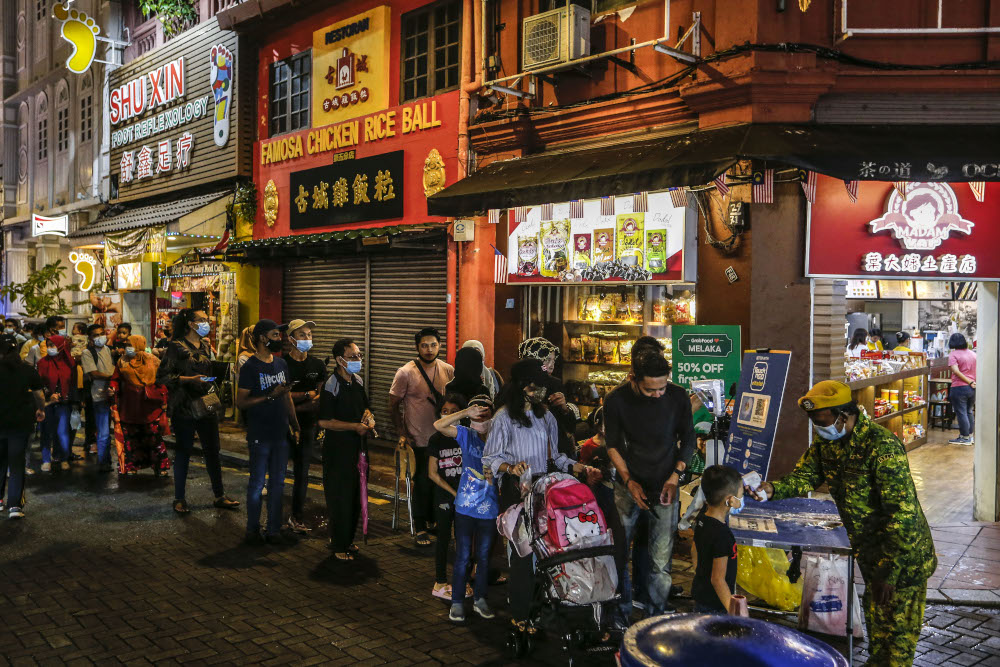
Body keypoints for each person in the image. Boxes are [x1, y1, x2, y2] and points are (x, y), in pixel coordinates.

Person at [749, 380, 936, 667]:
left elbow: (902, 515)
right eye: (813, 420)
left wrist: (889, 573)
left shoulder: (881, 446)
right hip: (870, 554)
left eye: (821, 420)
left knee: (897, 645)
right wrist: (772, 489)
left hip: (902, 559)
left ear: (843, 415)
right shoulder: (827, 443)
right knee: (879, 635)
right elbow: (805, 476)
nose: (817, 427)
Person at [483, 359, 597, 631]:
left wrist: (579, 467)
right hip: (515, 491)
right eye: (536, 387)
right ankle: (520, 613)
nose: (541, 393)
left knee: (546, 552)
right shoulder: (503, 418)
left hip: (543, 490)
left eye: (543, 388)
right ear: (523, 387)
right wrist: (511, 467)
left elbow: (556, 456)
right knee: (522, 554)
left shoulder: (546, 417)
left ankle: (539, 608)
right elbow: (489, 458)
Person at [606, 351, 695, 616]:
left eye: (662, 387)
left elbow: (688, 438)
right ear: (633, 378)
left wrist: (675, 475)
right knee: (619, 554)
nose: (657, 394)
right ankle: (620, 616)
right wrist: (628, 481)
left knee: (661, 560)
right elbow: (612, 445)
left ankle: (655, 618)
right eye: (650, 390)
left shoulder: (678, 396)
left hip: (666, 484)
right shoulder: (616, 399)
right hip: (628, 485)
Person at [156, 308, 240, 514]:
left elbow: (207, 372)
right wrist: (189, 380)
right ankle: (179, 498)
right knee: (183, 451)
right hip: (184, 407)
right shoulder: (175, 346)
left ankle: (219, 495)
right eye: (202, 319)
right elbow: (162, 377)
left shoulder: (205, 346)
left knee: (213, 451)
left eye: (206, 319)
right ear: (190, 324)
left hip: (206, 403)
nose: (206, 322)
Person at [434, 394, 499, 623]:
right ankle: (457, 602)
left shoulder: (500, 438)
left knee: (483, 557)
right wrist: (464, 413)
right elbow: (439, 425)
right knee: (462, 556)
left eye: (484, 413)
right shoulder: (466, 434)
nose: (480, 418)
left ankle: (480, 599)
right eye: (476, 414)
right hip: (465, 506)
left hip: (489, 508)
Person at [390, 327, 455, 547]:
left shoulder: (448, 370)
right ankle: (420, 527)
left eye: (433, 345)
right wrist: (401, 432)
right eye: (424, 345)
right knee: (422, 483)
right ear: (417, 347)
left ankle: (434, 521)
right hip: (418, 438)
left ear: (440, 345)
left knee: (441, 482)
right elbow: (393, 405)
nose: (429, 350)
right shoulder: (405, 372)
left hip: (443, 439)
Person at [237, 319, 300, 546]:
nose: (279, 339)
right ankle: (252, 530)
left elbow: (287, 396)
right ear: (262, 338)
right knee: (256, 484)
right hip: (260, 434)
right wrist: (269, 396)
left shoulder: (281, 364)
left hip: (280, 433)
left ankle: (273, 530)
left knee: (278, 484)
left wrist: (295, 425)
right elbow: (241, 402)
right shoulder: (250, 367)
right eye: (275, 335)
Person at [318, 338, 375, 561]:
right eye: (352, 357)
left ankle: (348, 539)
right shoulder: (331, 385)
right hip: (338, 450)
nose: (358, 360)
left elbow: (366, 407)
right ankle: (338, 545)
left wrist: (368, 417)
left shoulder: (358, 381)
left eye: (359, 356)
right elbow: (324, 421)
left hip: (358, 448)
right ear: (339, 360)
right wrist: (354, 427)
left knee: (356, 495)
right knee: (340, 497)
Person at [284, 319, 327, 533]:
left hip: (308, 425)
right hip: (283, 425)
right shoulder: (281, 364)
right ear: (291, 339)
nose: (307, 338)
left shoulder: (318, 365)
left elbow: (320, 396)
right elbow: (281, 396)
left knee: (302, 472)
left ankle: (297, 516)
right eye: (302, 335)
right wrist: (306, 395)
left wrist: (297, 402)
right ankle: (274, 519)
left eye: (309, 335)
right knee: (278, 470)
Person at [110, 335, 171, 476]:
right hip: (129, 406)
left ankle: (159, 467)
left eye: (130, 345)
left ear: (139, 345)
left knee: (153, 438)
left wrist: (164, 401)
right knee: (131, 438)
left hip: (149, 406)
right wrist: (112, 388)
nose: (128, 348)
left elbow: (162, 381)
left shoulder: (154, 361)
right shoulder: (122, 361)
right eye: (127, 345)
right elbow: (115, 379)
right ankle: (132, 466)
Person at [0, 334, 45, 519]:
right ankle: (14, 507)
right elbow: (39, 395)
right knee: (17, 464)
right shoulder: (27, 370)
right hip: (20, 423)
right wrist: (41, 410)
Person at [428, 393, 468, 600]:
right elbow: (432, 473)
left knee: (463, 540)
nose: (450, 415)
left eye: (454, 412)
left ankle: (462, 580)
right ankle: (440, 582)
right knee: (443, 537)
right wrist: (454, 493)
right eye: (445, 412)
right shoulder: (436, 439)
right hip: (444, 496)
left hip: (466, 497)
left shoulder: (466, 436)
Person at [517, 337, 580, 458]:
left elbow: (570, 427)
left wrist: (564, 408)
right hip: (525, 452)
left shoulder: (555, 384)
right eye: (547, 360)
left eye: (553, 361)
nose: (551, 366)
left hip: (556, 451)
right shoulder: (516, 386)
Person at [691, 465, 742, 614]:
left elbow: (694, 549)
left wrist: (701, 575)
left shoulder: (702, 518)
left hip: (701, 597)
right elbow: (718, 580)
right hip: (716, 606)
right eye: (741, 495)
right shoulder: (722, 535)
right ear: (730, 501)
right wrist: (734, 611)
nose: (741, 499)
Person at [80, 324, 116, 473]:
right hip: (99, 396)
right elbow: (93, 374)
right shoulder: (87, 353)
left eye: (101, 333)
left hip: (112, 395)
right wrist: (113, 377)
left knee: (111, 431)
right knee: (103, 432)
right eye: (96, 335)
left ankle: (107, 459)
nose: (100, 337)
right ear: (90, 338)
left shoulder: (108, 350)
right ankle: (103, 462)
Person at [37, 335, 75, 472]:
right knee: (46, 431)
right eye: (48, 345)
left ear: (60, 346)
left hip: (64, 402)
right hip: (47, 402)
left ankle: (64, 458)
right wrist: (49, 395)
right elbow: (39, 383)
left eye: (52, 345)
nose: (50, 348)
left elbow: (73, 383)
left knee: (62, 432)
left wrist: (73, 400)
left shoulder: (69, 362)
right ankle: (46, 460)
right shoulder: (42, 363)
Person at [947, 333, 976, 446]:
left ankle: (964, 437)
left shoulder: (953, 354)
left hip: (959, 387)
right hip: (972, 388)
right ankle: (970, 436)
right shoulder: (973, 354)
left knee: (961, 412)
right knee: (969, 411)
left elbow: (956, 371)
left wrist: (968, 381)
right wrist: (972, 382)